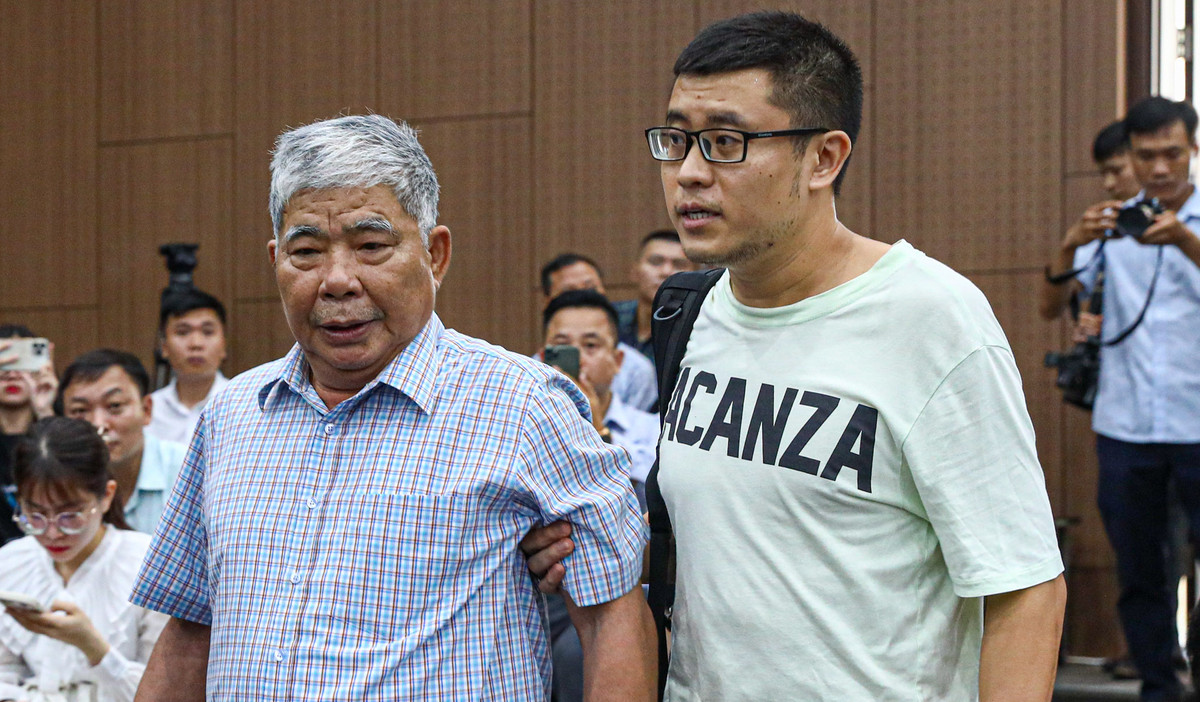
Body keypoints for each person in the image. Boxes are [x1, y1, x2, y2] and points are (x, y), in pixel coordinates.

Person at [524, 11, 1066, 701]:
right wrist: (585, 544)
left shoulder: (930, 318)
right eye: (677, 140)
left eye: (725, 142)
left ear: (824, 159)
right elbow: (731, 539)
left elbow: (1024, 588)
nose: (689, 173)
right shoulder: (690, 313)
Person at [129, 114, 655, 701]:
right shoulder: (232, 416)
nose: (337, 280)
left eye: (371, 247)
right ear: (276, 260)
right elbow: (190, 631)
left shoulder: (525, 406)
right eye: (307, 251)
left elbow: (612, 616)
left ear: (435, 254)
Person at [1041, 96, 1200, 702]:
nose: (1158, 168)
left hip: (1197, 422)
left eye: (1172, 154)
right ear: (1130, 156)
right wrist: (1068, 244)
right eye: (1145, 155)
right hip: (1125, 422)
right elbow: (1050, 306)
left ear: (1192, 150)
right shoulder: (1113, 226)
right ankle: (1159, 686)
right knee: (1138, 568)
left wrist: (1183, 241)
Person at [541, 289, 660, 702]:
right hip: (543, 595)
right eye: (562, 347)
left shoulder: (655, 431)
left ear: (618, 359)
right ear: (541, 357)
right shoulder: (522, 432)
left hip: (626, 587)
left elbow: (638, 522)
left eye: (591, 346)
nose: (577, 358)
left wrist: (594, 433)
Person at [0, 417, 167, 702]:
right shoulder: (12, 562)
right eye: (35, 515)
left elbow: (165, 692)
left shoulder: (149, 564)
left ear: (106, 496)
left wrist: (93, 647)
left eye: (70, 516)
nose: (52, 532)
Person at [56, 350, 186, 535]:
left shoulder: (188, 472)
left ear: (146, 409)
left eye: (115, 406)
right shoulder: (53, 475)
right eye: (80, 411)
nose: (98, 424)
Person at [1039, 120, 1142, 339]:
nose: (1108, 184)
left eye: (1117, 170)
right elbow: (1049, 309)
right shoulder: (1108, 223)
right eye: (1103, 174)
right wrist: (1069, 246)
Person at [540, 253, 658, 411]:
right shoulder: (529, 373)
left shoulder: (637, 370)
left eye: (590, 345)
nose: (581, 296)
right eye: (569, 292)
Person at [146, 288, 229, 446]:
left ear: (223, 345)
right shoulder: (149, 411)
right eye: (183, 332)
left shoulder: (244, 405)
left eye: (207, 332)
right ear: (164, 347)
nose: (196, 344)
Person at [0, 325, 57, 544]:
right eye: (4, 362)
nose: (12, 373)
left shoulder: (57, 429)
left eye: (22, 360)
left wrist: (45, 410)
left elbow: (68, 473)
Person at [611, 231, 696, 363]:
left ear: (696, 276)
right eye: (656, 262)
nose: (666, 272)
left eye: (679, 264)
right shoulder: (611, 317)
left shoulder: (701, 327)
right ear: (634, 272)